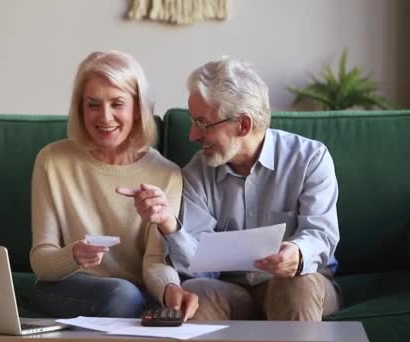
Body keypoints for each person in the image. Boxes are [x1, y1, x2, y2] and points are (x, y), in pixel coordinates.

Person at [118, 57, 341, 321]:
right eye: (192, 121)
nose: (192, 135)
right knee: (196, 291)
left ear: (243, 125)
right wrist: (170, 225)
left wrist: (298, 254)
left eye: (202, 123)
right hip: (234, 291)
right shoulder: (196, 172)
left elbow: (321, 234)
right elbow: (199, 267)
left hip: (302, 283)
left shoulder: (309, 158)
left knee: (294, 283)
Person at [29, 50, 198, 320]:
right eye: (93, 104)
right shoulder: (52, 161)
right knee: (124, 295)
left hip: (132, 295)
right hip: (66, 287)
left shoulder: (167, 174)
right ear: (80, 108)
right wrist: (73, 255)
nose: (104, 117)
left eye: (117, 104)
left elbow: (155, 261)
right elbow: (41, 260)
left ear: (138, 108)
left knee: (127, 295)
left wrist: (170, 289)